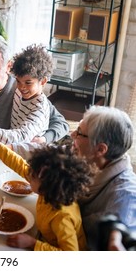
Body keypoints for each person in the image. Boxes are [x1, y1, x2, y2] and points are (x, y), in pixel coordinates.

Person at [0, 135, 93, 251]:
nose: (29, 174)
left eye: (33, 176)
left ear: (47, 185)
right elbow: (20, 165)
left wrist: (33, 243)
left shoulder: (62, 216)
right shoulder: (50, 189)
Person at [70, 106, 136, 249]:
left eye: (79, 133)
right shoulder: (88, 160)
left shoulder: (125, 197)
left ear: (100, 149)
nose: (72, 134)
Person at [0, 44, 53, 143]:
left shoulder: (40, 109)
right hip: (14, 148)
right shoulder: (18, 92)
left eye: (28, 83)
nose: (22, 87)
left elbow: (22, 136)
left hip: (29, 154)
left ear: (42, 82)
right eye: (18, 81)